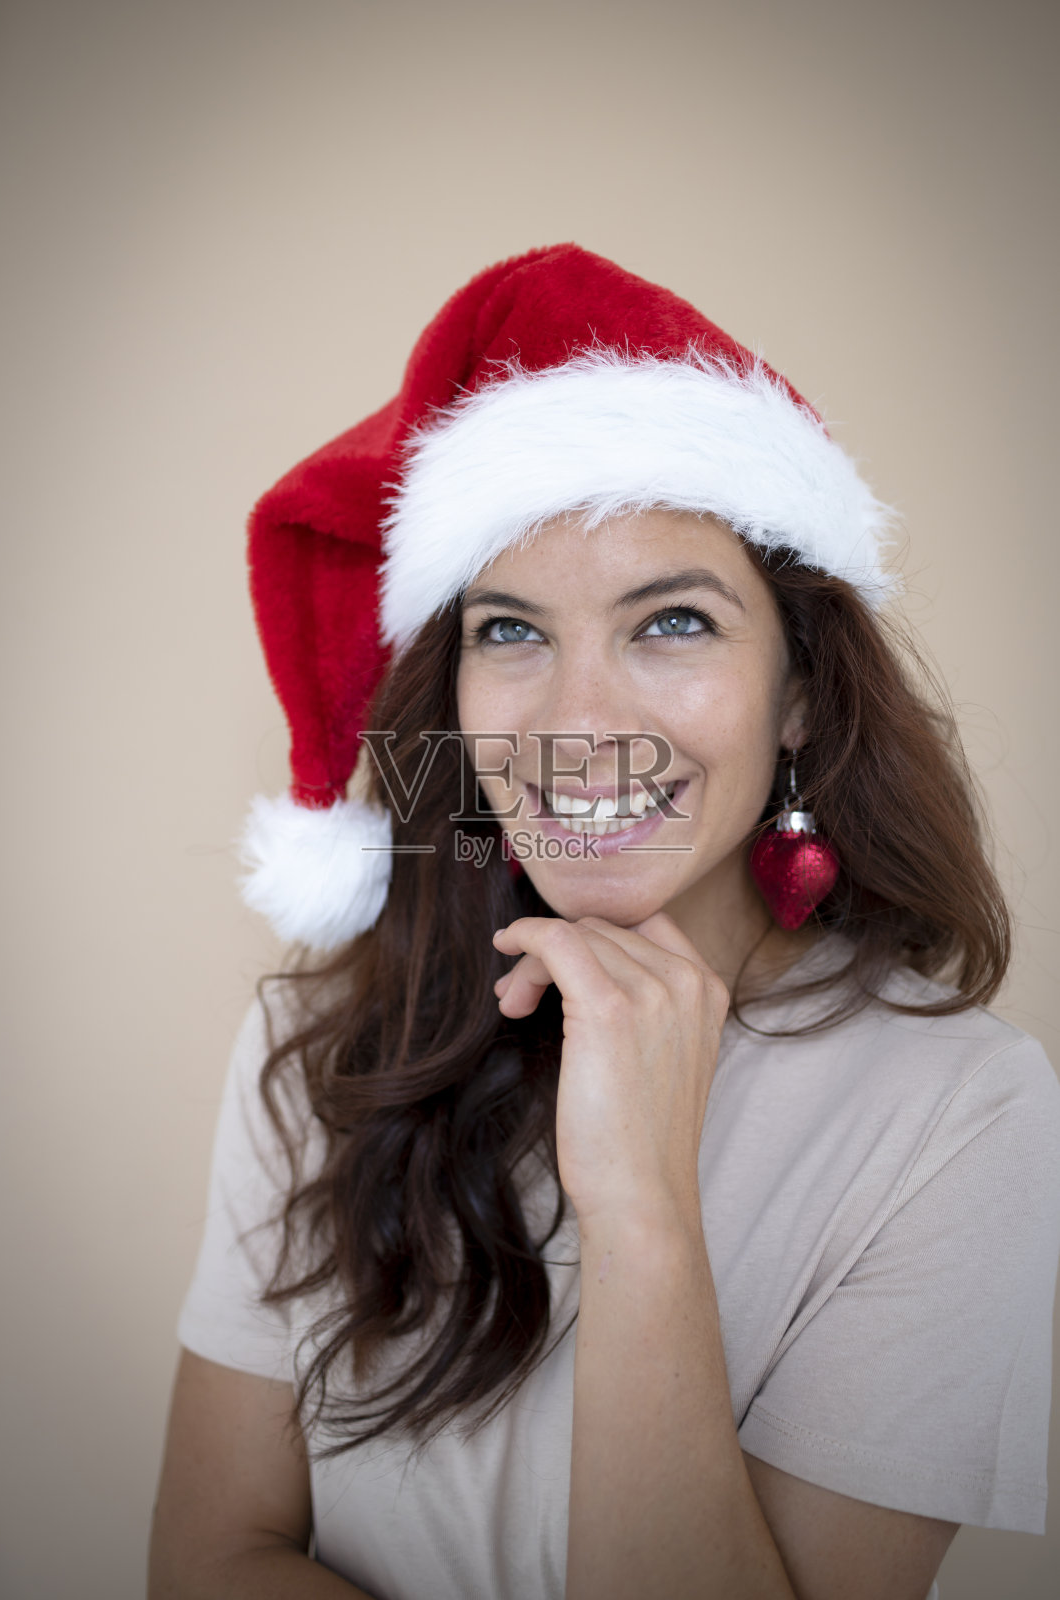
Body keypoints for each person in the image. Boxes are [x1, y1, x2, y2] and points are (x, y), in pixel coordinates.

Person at [148, 245, 1060, 1600]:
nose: (578, 725)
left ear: (798, 698)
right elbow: (210, 1559)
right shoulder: (326, 1044)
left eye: (672, 622)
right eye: (511, 633)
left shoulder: (960, 1113)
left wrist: (641, 1210)